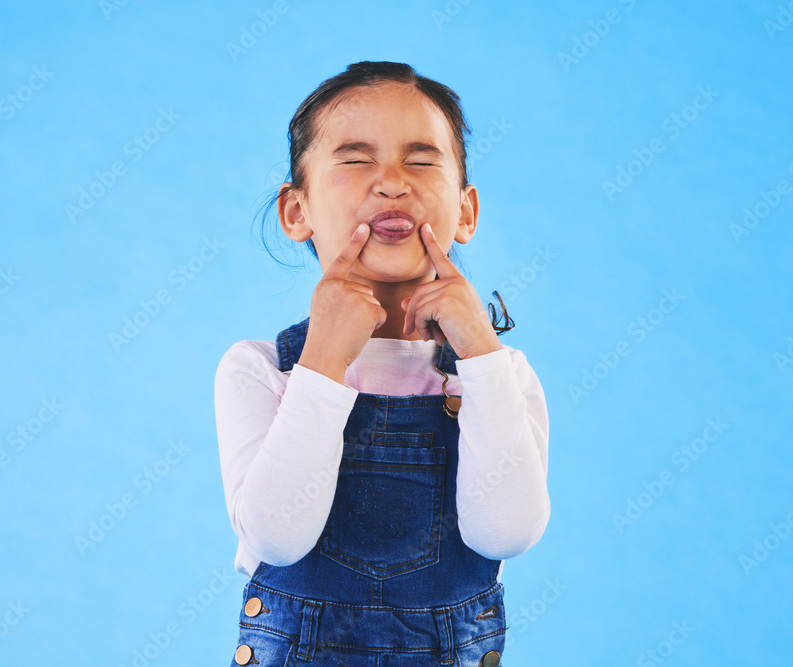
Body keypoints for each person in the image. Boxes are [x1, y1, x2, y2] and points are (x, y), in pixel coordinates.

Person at [214, 60, 549, 667]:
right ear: (297, 212)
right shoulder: (264, 369)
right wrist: (324, 358)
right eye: (355, 159)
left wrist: (479, 349)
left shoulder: (499, 375)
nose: (393, 183)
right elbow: (277, 538)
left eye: (421, 160)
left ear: (466, 212)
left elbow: (506, 533)